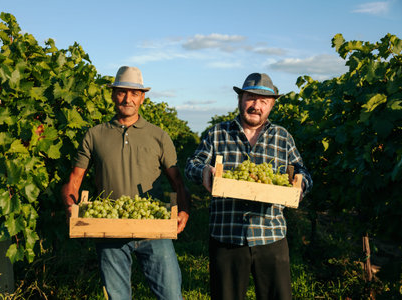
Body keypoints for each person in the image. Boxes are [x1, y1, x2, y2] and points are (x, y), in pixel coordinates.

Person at [61, 66, 190, 300]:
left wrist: (184, 210)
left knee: (171, 295)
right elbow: (74, 180)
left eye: (134, 93)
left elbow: (177, 182)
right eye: (122, 92)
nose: (127, 99)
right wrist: (71, 205)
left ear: (142, 98)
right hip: (109, 230)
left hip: (154, 229)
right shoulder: (95, 134)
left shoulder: (158, 136)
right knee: (117, 297)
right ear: (112, 95)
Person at [185, 72, 312, 300]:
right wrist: (204, 171)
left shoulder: (282, 137)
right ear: (240, 100)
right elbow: (192, 164)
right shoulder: (218, 133)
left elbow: (302, 171)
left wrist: (300, 185)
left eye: (263, 101)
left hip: (270, 236)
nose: (256, 106)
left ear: (271, 105)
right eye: (250, 98)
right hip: (227, 236)